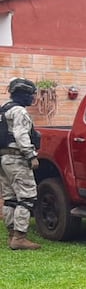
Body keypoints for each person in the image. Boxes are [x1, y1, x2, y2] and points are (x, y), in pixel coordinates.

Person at [1, 77, 41, 250]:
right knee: (27, 197)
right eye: (31, 94)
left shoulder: (3, 110)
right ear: (23, 94)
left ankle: (12, 235)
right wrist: (31, 155)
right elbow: (20, 135)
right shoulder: (19, 112)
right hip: (17, 158)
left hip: (3, 159)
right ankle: (19, 237)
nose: (33, 97)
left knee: (10, 198)